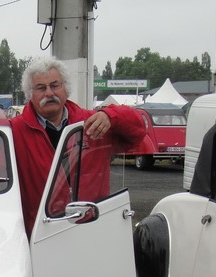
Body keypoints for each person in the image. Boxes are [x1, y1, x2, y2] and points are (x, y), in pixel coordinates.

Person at [10, 57, 144, 236]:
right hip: (42, 235)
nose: (49, 93)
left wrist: (111, 116)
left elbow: (139, 129)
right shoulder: (14, 131)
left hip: (92, 230)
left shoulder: (93, 123)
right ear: (30, 94)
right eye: (41, 88)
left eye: (55, 85)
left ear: (66, 89)